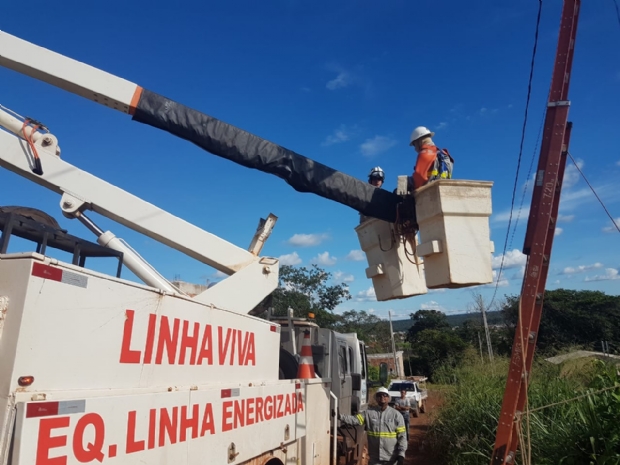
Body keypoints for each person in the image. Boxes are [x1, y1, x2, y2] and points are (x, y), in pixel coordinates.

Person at [339, 387, 407, 465]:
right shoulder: (368, 413)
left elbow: (402, 437)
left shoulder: (396, 415)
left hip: (391, 459)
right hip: (375, 459)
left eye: (385, 395)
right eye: (379, 395)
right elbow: (355, 420)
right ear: (376, 398)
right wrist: (340, 417)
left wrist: (401, 455)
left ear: (388, 398)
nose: (382, 397)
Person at [409, 126, 454, 190]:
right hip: (443, 190)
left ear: (419, 141)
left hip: (428, 192)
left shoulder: (425, 153)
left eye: (414, 144)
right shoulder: (443, 154)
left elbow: (418, 179)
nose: (415, 148)